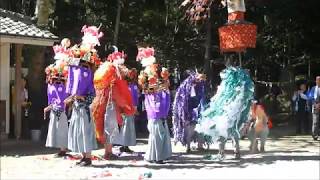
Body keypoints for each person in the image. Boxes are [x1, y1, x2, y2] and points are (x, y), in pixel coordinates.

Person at [66, 25, 102, 166]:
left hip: (85, 106)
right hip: (77, 105)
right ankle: (83, 156)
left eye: (85, 66)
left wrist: (81, 97)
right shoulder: (78, 67)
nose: (82, 68)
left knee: (85, 131)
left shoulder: (89, 74)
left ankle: (87, 157)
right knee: (78, 131)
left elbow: (92, 95)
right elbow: (71, 62)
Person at [92, 47, 135, 160]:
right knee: (110, 127)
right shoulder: (113, 79)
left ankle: (107, 151)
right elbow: (116, 94)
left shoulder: (105, 74)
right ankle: (108, 152)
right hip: (111, 105)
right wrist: (126, 105)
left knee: (105, 126)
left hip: (103, 102)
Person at [137, 46, 172, 164]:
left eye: (155, 66)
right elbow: (148, 90)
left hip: (161, 109)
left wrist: (165, 80)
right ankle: (156, 156)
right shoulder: (145, 77)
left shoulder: (158, 78)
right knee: (156, 134)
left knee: (161, 133)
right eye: (154, 65)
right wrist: (160, 84)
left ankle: (157, 156)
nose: (155, 67)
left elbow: (164, 86)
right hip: (154, 110)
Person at [172, 70, 207, 153]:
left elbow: (201, 97)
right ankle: (188, 146)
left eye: (202, 79)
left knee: (200, 127)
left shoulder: (200, 86)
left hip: (198, 110)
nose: (201, 80)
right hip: (188, 111)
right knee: (189, 129)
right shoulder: (187, 85)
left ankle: (200, 145)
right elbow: (183, 99)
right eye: (200, 78)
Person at [44, 54, 69, 157]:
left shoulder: (64, 85)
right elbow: (51, 99)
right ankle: (61, 149)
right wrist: (48, 107)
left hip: (62, 109)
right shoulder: (51, 86)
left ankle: (63, 149)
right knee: (56, 129)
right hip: (55, 109)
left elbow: (65, 96)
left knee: (62, 129)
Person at [308, 76, 320, 140]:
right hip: (315, 106)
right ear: (316, 81)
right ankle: (315, 135)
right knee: (315, 121)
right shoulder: (313, 88)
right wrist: (315, 104)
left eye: (319, 80)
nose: (318, 81)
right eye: (317, 80)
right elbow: (310, 97)